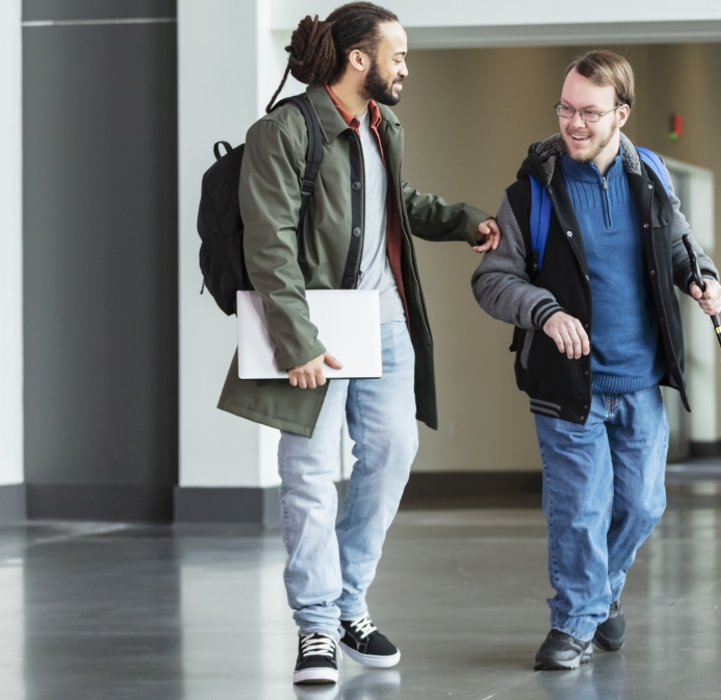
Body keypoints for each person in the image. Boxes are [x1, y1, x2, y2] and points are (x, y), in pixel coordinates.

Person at [216, 2, 500, 686]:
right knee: (310, 476)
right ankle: (316, 626)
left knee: (395, 449)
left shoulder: (382, 125)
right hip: (313, 328)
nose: (407, 66)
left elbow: (391, 201)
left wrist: (464, 222)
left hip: (384, 320)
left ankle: (347, 602)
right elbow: (269, 246)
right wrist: (298, 344)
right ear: (359, 60)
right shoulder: (283, 131)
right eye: (397, 54)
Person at [472, 49, 721, 671]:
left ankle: (600, 595)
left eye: (589, 112)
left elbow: (683, 247)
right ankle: (573, 623)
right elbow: (491, 280)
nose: (574, 123)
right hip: (567, 385)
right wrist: (545, 311)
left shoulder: (653, 178)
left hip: (640, 380)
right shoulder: (532, 190)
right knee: (580, 508)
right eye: (565, 108)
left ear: (622, 114)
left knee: (643, 504)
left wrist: (705, 279)